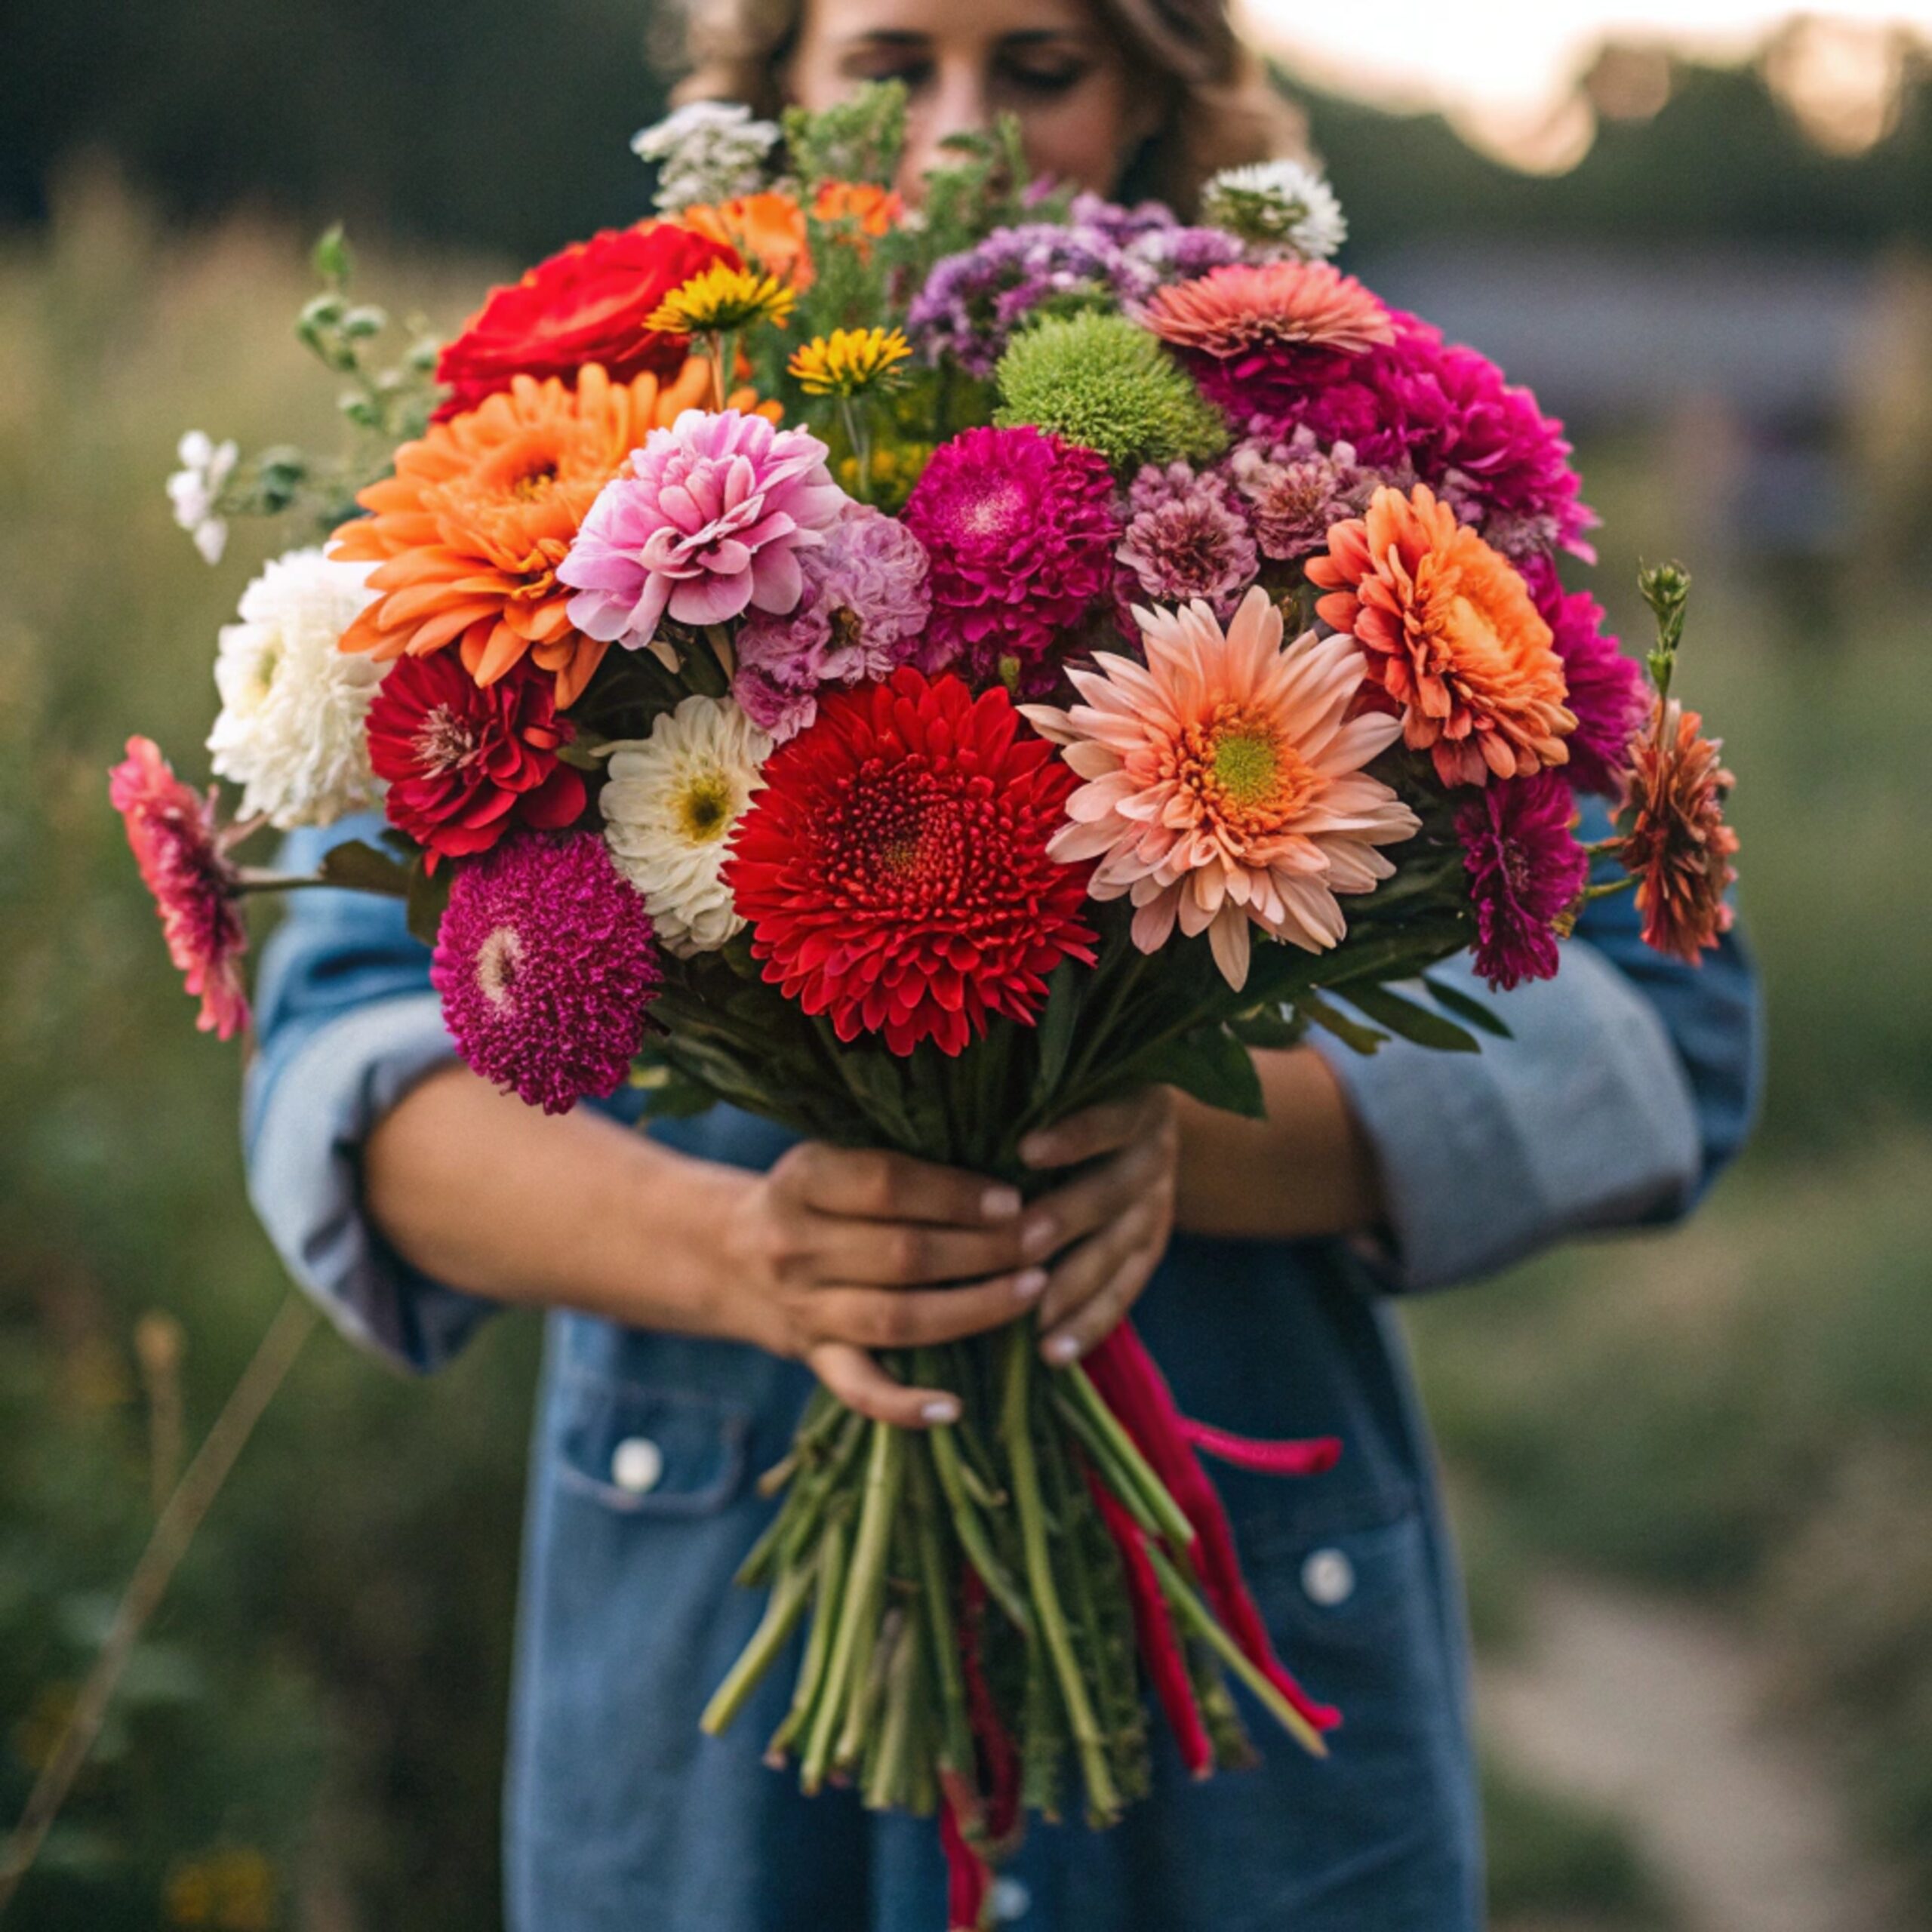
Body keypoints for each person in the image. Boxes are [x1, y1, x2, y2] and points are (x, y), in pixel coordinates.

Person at [242, 2, 1763, 1926]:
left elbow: (1661, 1032)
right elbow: (340, 1080)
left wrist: (1191, 1132)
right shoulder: (572, 480)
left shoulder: (1318, 470)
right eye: (890, 68)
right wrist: (740, 1251)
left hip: (1232, 1675)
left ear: (1148, 95)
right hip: (721, 1697)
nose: (960, 132)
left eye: (1037, 69)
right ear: (777, 94)